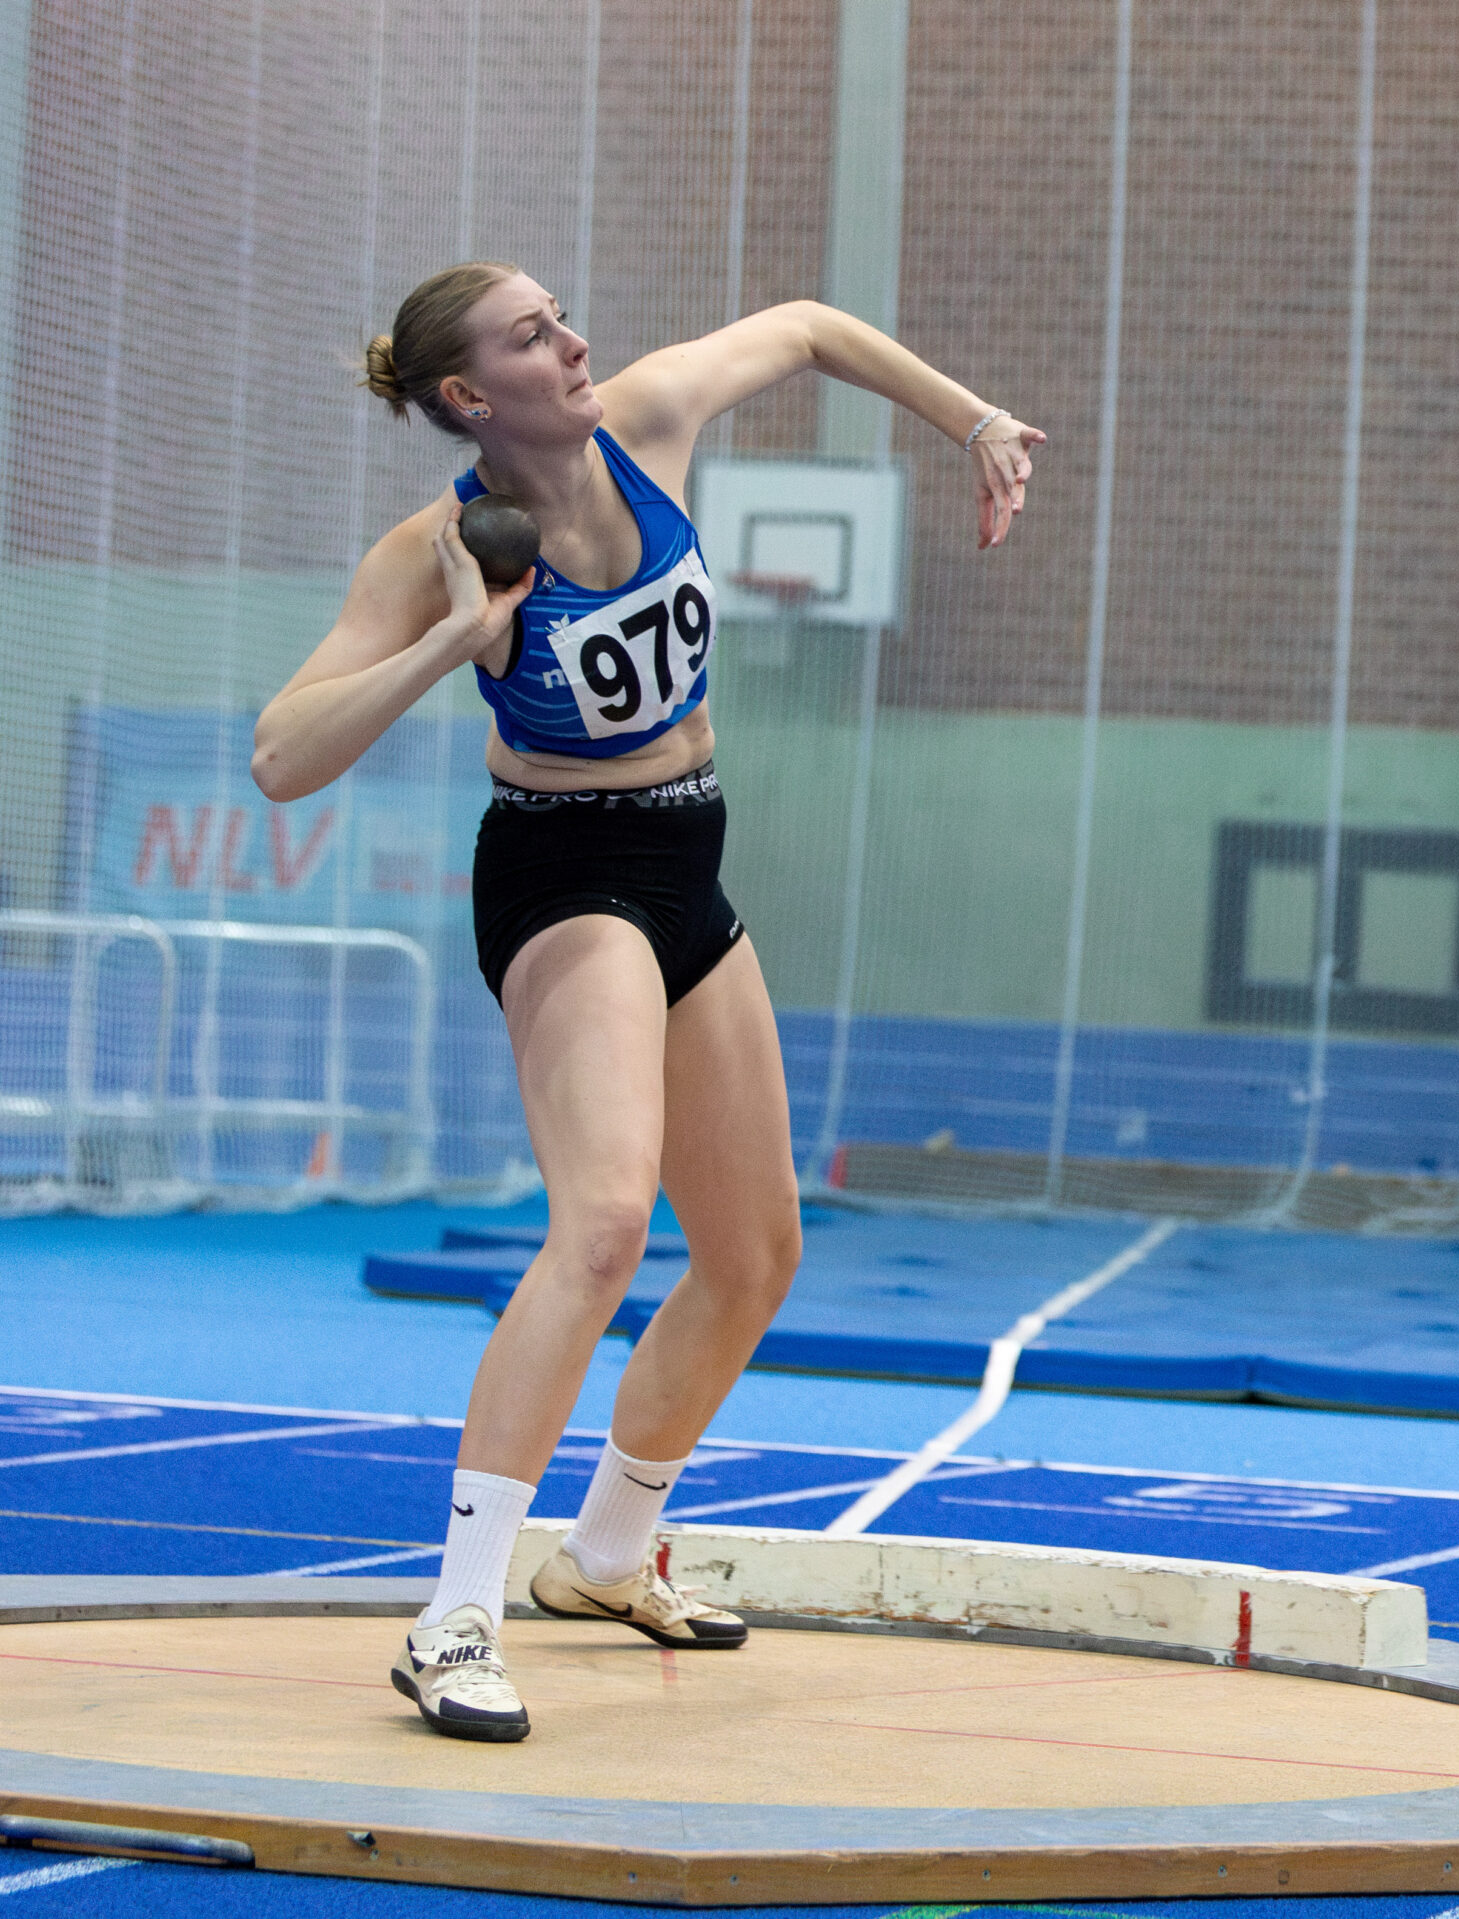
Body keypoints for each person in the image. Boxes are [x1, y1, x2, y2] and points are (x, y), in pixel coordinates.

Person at [252, 263, 1041, 1743]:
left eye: (562, 315)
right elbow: (281, 757)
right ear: (469, 397)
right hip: (565, 874)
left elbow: (807, 329)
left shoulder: (655, 418)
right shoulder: (434, 551)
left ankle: (608, 1552)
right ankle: (457, 1615)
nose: (576, 339)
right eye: (535, 335)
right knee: (608, 1219)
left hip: (690, 849)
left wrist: (974, 417)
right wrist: (447, 640)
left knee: (752, 1254)